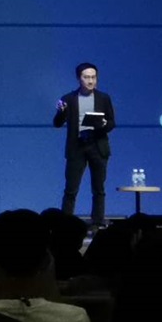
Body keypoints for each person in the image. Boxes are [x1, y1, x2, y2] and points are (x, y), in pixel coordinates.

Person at [53, 63, 115, 228]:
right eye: (86, 77)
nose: (90, 81)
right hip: (77, 147)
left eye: (93, 77)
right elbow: (57, 123)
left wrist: (104, 124)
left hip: (97, 146)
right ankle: (65, 224)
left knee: (99, 188)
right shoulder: (69, 99)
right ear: (79, 78)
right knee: (71, 189)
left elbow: (111, 123)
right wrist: (61, 112)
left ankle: (98, 222)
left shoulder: (103, 98)